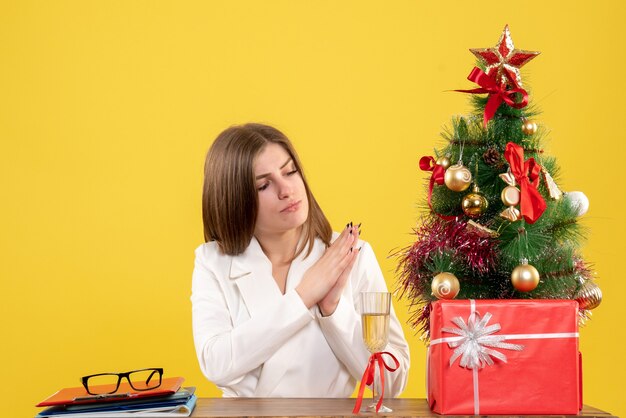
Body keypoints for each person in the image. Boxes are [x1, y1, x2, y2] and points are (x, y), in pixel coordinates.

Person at [191, 123, 410, 397]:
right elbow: (216, 364)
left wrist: (333, 310)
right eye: (263, 185)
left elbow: (391, 381)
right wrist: (304, 296)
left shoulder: (352, 255)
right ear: (235, 199)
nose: (286, 190)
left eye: (290, 171)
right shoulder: (213, 261)